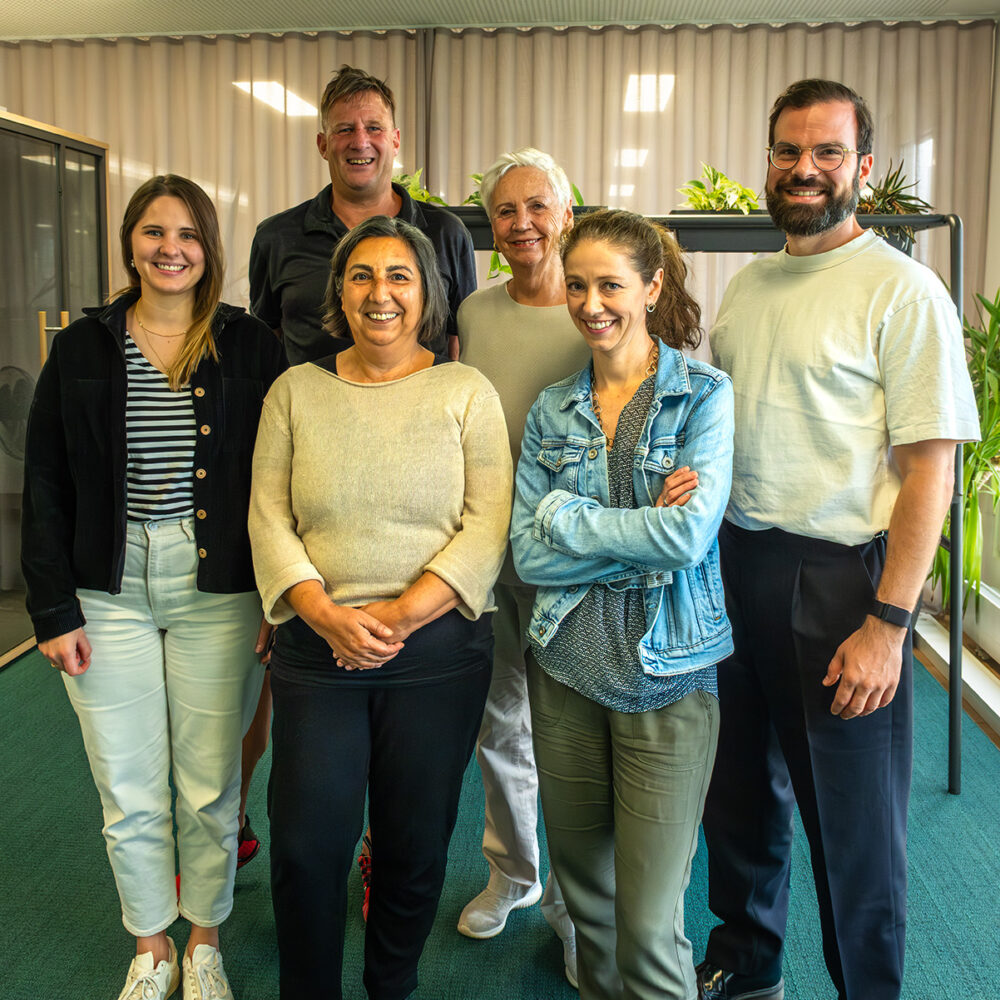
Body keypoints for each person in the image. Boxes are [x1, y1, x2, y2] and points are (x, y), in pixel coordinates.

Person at [697, 79, 980, 1000]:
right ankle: (746, 965)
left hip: (842, 583)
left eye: (827, 152)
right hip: (737, 565)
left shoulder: (904, 289)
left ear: (862, 165)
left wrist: (890, 624)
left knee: (852, 827)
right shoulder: (749, 286)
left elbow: (930, 470)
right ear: (768, 161)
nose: (805, 168)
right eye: (789, 151)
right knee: (739, 796)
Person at [22, 174, 286, 1000]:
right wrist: (52, 608)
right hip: (106, 586)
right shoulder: (82, 346)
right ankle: (151, 948)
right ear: (130, 243)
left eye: (188, 234)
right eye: (154, 232)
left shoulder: (251, 344)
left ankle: (203, 940)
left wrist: (276, 595)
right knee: (126, 784)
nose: (171, 249)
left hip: (220, 586)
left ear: (209, 248)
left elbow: (282, 480)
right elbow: (45, 480)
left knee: (210, 785)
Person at [249, 215, 511, 1000]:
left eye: (400, 276)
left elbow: (487, 523)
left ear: (427, 293)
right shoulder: (295, 392)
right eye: (361, 276)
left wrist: (397, 617)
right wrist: (325, 614)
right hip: (317, 651)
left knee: (413, 847)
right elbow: (268, 518)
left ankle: (391, 986)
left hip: (436, 655)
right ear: (339, 293)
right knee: (307, 846)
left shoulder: (466, 390)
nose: (380, 293)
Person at [511, 208, 734, 1000]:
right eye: (576, 286)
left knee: (648, 929)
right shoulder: (551, 408)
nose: (591, 303)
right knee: (590, 912)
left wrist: (568, 516)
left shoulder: (702, 396)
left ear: (652, 286)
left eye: (610, 285)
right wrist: (643, 528)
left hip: (668, 680)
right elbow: (528, 556)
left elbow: (687, 538)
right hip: (565, 673)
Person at [455, 147, 586, 982]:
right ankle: (514, 873)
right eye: (505, 211)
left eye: (538, 207)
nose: (522, 224)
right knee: (498, 723)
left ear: (566, 215)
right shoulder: (473, 311)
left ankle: (575, 907)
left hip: (570, 559)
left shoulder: (592, 306)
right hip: (485, 552)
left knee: (567, 735)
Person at [249, 63, 475, 364]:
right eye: (345, 129)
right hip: (311, 396)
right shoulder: (275, 238)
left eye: (374, 128)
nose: (359, 142)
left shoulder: (446, 233)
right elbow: (265, 345)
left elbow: (460, 342)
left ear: (395, 140)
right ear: (323, 145)